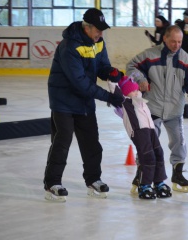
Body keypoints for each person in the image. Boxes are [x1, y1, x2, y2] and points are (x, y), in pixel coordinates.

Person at [43, 8, 125, 202]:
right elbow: (79, 82)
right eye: (98, 30)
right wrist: (108, 96)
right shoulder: (69, 46)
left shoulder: (98, 42)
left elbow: (102, 66)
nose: (101, 34)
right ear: (87, 27)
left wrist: (112, 73)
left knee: (91, 143)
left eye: (102, 30)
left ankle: (93, 179)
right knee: (62, 143)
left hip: (84, 102)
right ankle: (52, 183)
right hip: (63, 100)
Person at [126, 25, 188, 193]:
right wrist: (140, 79)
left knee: (179, 142)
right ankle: (142, 172)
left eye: (180, 42)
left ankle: (177, 173)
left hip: (175, 110)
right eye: (173, 41)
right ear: (165, 39)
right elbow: (131, 66)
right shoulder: (150, 55)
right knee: (147, 144)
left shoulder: (185, 60)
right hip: (152, 108)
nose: (177, 45)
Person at [108, 75, 172, 200]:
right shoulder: (125, 101)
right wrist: (112, 76)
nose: (137, 91)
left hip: (150, 130)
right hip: (139, 132)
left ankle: (159, 182)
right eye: (133, 90)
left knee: (159, 153)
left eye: (137, 89)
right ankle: (145, 185)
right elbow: (113, 88)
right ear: (126, 92)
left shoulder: (141, 101)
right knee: (148, 157)